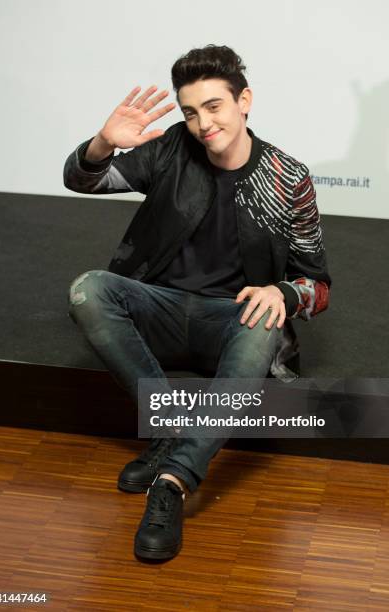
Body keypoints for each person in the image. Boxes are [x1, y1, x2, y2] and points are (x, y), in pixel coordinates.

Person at [63, 45, 331, 561]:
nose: (203, 123)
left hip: (229, 321)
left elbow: (318, 286)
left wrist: (283, 291)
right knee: (89, 288)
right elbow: (83, 179)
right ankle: (170, 427)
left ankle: (173, 480)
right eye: (191, 112)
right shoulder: (168, 150)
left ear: (244, 101)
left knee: (265, 322)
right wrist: (101, 143)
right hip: (160, 310)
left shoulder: (287, 178)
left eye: (214, 106)